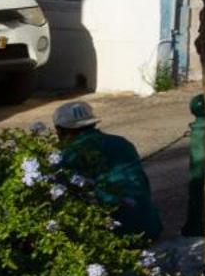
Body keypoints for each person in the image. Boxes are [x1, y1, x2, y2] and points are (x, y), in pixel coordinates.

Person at [52, 100, 163, 244]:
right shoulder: (122, 143)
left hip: (113, 237)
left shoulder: (68, 155)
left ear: (60, 130)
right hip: (150, 228)